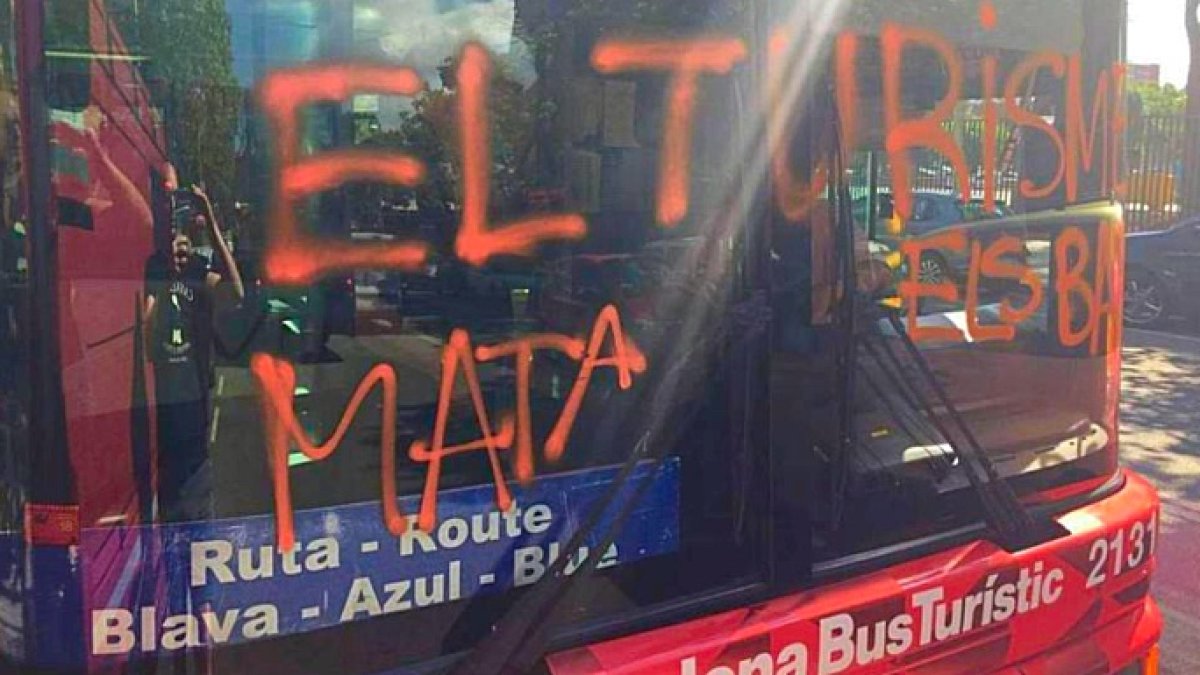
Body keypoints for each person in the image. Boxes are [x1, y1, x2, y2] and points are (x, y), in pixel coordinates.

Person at [143, 185, 244, 522]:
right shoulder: (156, 271)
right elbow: (147, 340)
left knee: (198, 509)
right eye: (176, 246)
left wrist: (211, 220)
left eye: (186, 245)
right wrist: (164, 282)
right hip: (163, 417)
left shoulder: (199, 273)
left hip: (195, 408)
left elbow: (235, 294)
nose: (181, 252)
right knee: (171, 513)